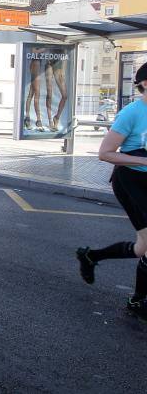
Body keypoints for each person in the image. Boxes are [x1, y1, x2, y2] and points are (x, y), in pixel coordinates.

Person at [77, 62, 147, 321]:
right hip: (129, 181)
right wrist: (144, 161)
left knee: (142, 249)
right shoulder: (132, 113)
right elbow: (104, 153)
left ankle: (91, 256)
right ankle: (138, 301)